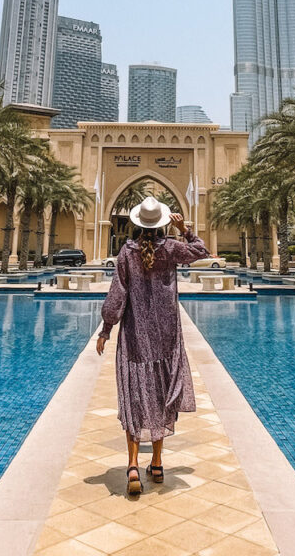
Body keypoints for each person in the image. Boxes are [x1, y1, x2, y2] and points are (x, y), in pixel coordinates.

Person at [96, 195, 209, 495]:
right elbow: (201, 251)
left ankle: (133, 465)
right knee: (159, 395)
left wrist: (106, 329)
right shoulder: (171, 249)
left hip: (135, 337)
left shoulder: (126, 253)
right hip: (166, 337)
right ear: (161, 225)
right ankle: (157, 463)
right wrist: (185, 229)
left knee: (135, 396)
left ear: (137, 224)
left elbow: (117, 295)